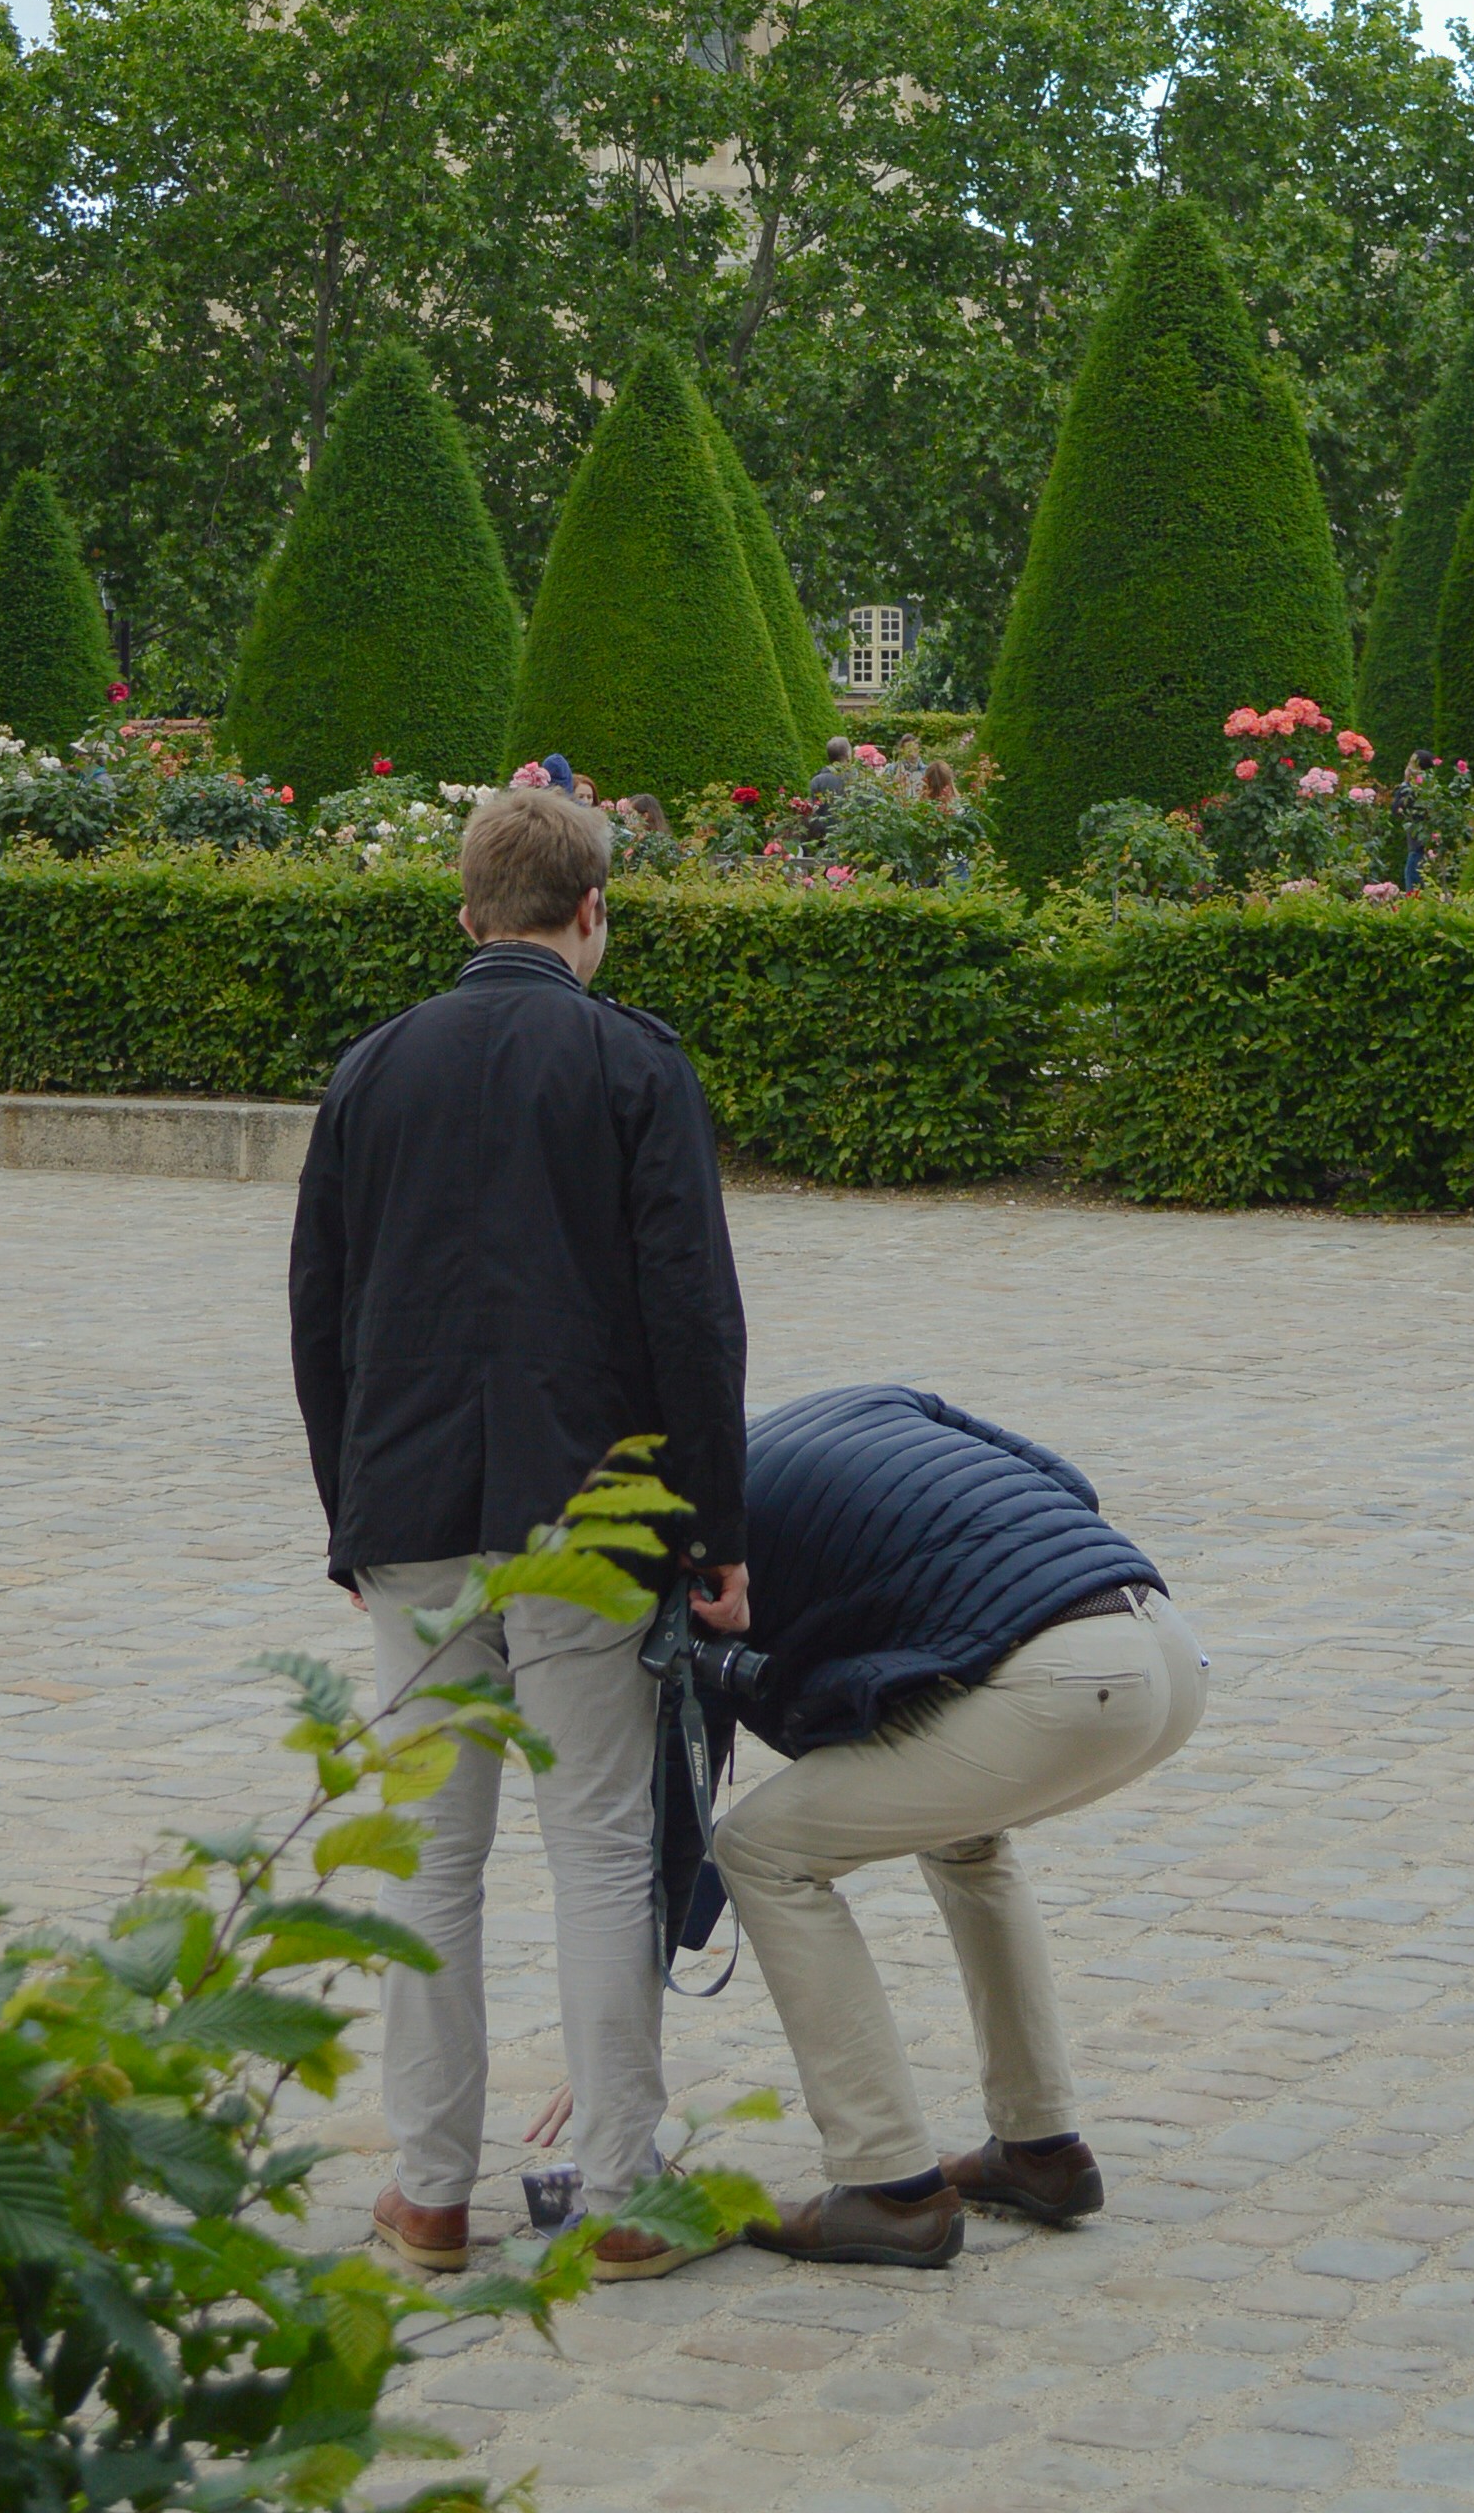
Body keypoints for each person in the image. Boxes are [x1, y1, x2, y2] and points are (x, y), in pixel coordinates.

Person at [287, 784, 749, 2283]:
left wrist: (349, 1514)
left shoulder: (372, 1071)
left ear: (467, 913)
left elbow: (319, 1317)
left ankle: (427, 2192)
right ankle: (617, 2186)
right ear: (592, 914)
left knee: (429, 1858)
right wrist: (714, 1526)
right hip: (587, 1519)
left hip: (412, 1508)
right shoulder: (631, 1063)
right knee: (604, 1851)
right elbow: (694, 1316)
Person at [710, 1382, 1207, 2269]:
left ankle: (886, 2187)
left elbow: (695, 1757)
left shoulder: (702, 1534)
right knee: (963, 1833)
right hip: (1162, 1642)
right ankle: (1039, 2149)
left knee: (760, 1849)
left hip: (1062, 1685)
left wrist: (639, 1971)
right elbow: (1069, 1484)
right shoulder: (873, 1402)